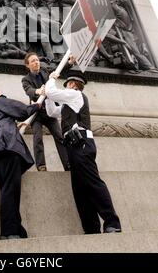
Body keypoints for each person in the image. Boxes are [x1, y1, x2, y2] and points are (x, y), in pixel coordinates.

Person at [45, 69, 122, 234]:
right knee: (79, 188)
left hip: (81, 143)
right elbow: (51, 112)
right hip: (72, 145)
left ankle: (112, 222)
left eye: (67, 85)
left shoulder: (75, 95)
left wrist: (50, 79)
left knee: (93, 183)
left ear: (72, 85)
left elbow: (52, 91)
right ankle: (91, 227)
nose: (66, 87)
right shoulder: (68, 104)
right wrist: (46, 97)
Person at [0, 85, 40, 240]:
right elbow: (22, 111)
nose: (0, 93)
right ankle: (9, 232)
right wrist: (38, 104)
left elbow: (0, 124)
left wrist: (14, 125)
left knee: (8, 190)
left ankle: (16, 229)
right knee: (10, 191)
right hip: (7, 147)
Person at [21, 52, 71, 172]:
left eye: (37, 60)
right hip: (36, 114)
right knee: (38, 138)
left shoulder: (45, 71)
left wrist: (69, 62)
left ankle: (68, 164)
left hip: (50, 111)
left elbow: (58, 70)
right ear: (28, 65)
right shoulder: (25, 80)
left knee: (59, 137)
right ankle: (41, 166)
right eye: (33, 61)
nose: (36, 62)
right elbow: (29, 90)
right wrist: (38, 91)